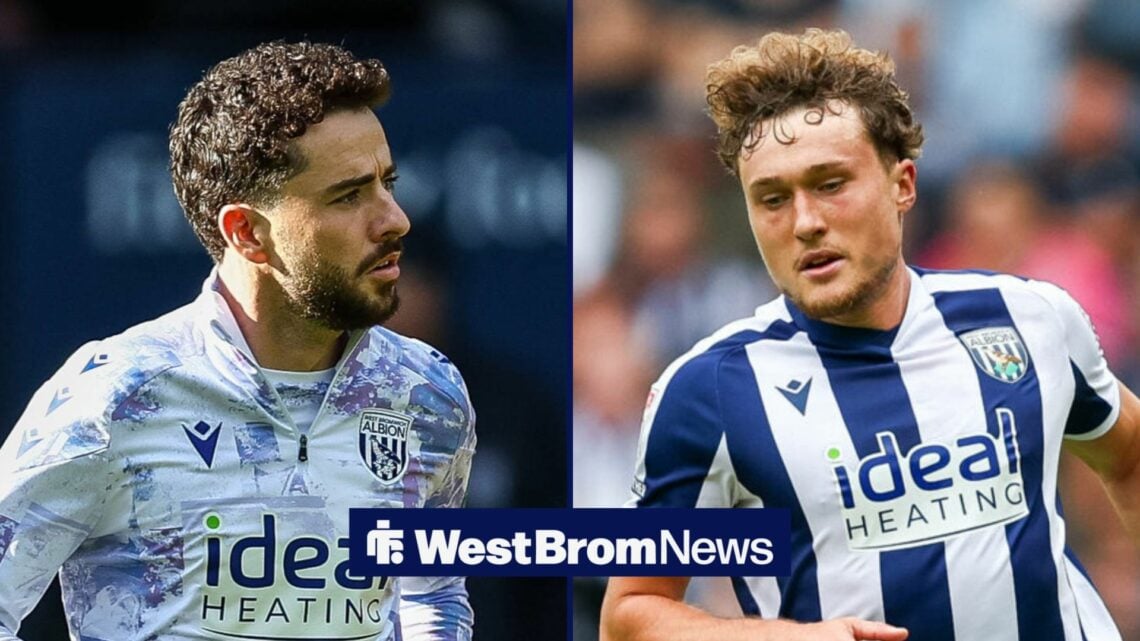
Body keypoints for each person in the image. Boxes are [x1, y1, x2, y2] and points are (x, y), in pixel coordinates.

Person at [600, 29, 1140, 641]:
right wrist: (794, 638)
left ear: (902, 185)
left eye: (830, 184)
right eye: (772, 198)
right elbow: (629, 615)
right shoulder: (707, 391)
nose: (805, 222)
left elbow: (1129, 454)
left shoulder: (1028, 319)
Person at [0, 41, 475, 641]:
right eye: (349, 195)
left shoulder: (426, 394)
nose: (396, 218)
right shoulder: (116, 396)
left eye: (388, 182)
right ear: (247, 233)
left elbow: (434, 595)